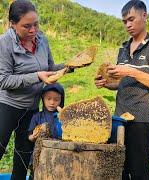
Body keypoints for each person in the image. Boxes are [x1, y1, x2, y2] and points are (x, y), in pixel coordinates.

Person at [94, 1, 149, 179]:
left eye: (131, 19)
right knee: (118, 169)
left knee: (139, 171)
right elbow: (122, 83)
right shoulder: (123, 49)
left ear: (144, 16)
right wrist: (106, 83)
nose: (128, 25)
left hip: (140, 119)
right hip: (119, 119)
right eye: (124, 21)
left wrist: (130, 71)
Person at [0, 1, 65, 179]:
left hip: (31, 110)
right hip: (7, 107)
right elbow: (4, 80)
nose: (33, 30)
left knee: (23, 156)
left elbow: (50, 67)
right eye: (27, 26)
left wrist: (69, 66)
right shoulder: (4, 43)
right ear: (12, 24)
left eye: (36, 24)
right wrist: (36, 76)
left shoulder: (42, 40)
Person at [28, 83, 64, 180]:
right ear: (43, 99)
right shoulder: (37, 116)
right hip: (40, 155)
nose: (52, 102)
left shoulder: (63, 117)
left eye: (56, 100)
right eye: (48, 99)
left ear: (61, 100)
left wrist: (64, 117)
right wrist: (33, 137)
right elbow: (30, 137)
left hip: (59, 155)